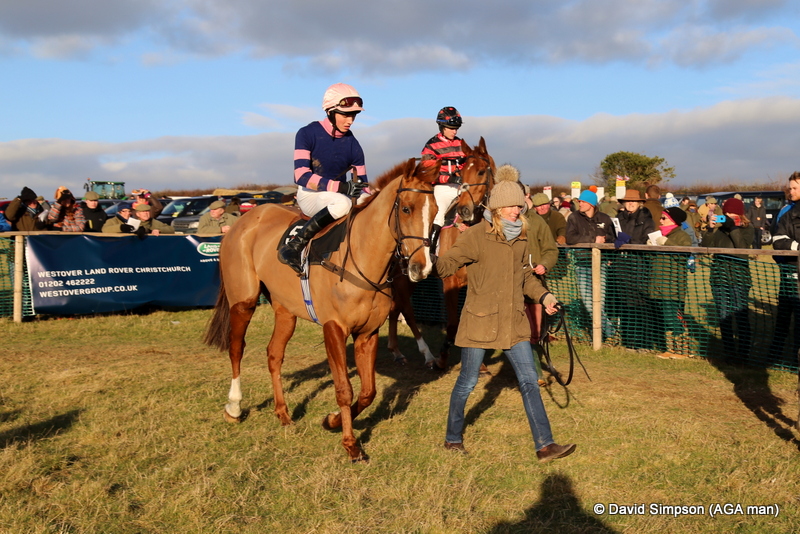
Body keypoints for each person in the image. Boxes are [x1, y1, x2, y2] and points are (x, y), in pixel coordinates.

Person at [436, 177, 576, 462]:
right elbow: (447, 264)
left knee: (528, 380)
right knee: (467, 382)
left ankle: (545, 446)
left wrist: (545, 297)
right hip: (480, 321)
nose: (518, 210)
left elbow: (526, 277)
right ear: (498, 208)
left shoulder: (521, 237)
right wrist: (430, 258)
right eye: (512, 206)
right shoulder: (476, 235)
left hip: (513, 323)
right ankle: (452, 438)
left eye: (519, 205)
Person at [278, 83, 369, 274]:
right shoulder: (307, 133)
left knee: (373, 201)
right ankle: (294, 246)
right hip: (310, 195)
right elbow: (301, 175)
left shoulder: (353, 144)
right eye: (345, 114)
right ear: (330, 112)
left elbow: (363, 182)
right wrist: (341, 187)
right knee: (342, 204)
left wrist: (371, 195)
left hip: (337, 194)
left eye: (353, 115)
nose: (350, 120)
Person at [701, 198, 753, 358]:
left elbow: (742, 249)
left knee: (741, 316)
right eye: (726, 213)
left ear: (740, 214)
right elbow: (706, 248)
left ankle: (743, 354)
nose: (728, 215)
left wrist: (733, 228)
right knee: (723, 316)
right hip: (719, 277)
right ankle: (729, 352)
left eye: (732, 213)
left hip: (739, 278)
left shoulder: (747, 229)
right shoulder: (720, 230)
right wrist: (709, 230)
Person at [566, 189, 617, 341]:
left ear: (591, 204)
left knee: (598, 302)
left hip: (601, 265)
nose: (579, 204)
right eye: (579, 201)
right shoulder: (573, 218)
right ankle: (610, 332)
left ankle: (601, 336)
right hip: (582, 264)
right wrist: (592, 239)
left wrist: (608, 253)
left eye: (582, 201)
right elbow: (570, 238)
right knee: (589, 303)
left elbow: (613, 239)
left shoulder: (605, 219)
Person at [420, 106, 467, 255]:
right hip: (442, 188)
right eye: (451, 128)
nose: (455, 131)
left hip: (462, 186)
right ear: (442, 126)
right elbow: (427, 172)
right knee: (439, 214)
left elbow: (466, 165)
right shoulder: (431, 146)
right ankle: (431, 252)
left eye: (456, 128)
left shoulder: (461, 144)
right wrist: (448, 177)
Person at [649, 207, 692, 358]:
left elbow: (683, 256)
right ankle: (670, 349)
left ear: (673, 220)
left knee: (673, 316)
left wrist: (666, 243)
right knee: (665, 317)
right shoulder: (659, 235)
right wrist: (649, 248)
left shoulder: (682, 236)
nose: (660, 221)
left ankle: (683, 350)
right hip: (658, 284)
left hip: (673, 285)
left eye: (664, 218)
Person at [769, 172, 800, 362]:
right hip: (790, 272)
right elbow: (778, 240)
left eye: (795, 188)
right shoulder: (788, 214)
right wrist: (797, 247)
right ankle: (776, 357)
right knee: (784, 318)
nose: (791, 191)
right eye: (790, 188)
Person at [523, 189, 559, 346]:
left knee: (534, 333)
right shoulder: (501, 220)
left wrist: (544, 264)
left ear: (526, 197)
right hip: (509, 283)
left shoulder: (537, 221)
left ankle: (533, 360)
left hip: (533, 282)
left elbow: (550, 249)